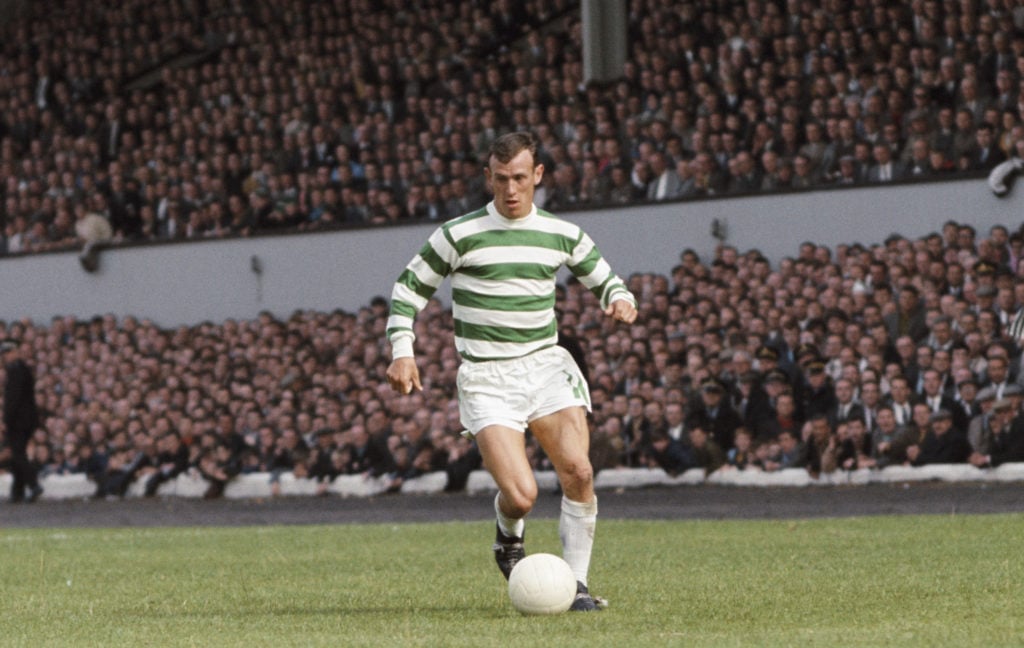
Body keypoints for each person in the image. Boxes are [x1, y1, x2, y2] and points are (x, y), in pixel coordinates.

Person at [384, 132, 637, 612]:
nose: (511, 189)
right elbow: (408, 288)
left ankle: (578, 587)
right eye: (501, 179)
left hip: (544, 367)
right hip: (487, 377)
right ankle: (508, 534)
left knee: (580, 472)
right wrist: (403, 350)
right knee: (521, 496)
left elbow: (605, 277)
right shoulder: (458, 234)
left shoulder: (561, 233)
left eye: (520, 177)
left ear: (537, 175)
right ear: (488, 178)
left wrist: (620, 300)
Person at [2, 339, 43, 503]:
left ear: (15, 352)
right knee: (17, 454)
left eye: (7, 353)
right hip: (26, 420)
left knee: (18, 454)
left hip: (19, 421)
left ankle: (33, 485)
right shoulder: (22, 369)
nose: (5, 356)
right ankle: (17, 491)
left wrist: (6, 419)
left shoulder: (16, 370)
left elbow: (13, 399)